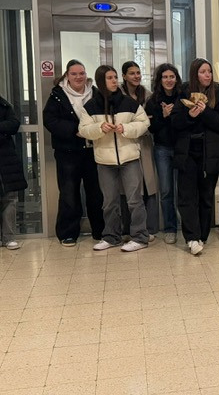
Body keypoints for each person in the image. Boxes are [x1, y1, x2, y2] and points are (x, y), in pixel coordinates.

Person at [78, 65, 151, 252]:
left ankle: (140, 237)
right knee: (109, 202)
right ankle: (111, 237)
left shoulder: (129, 102)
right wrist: (99, 128)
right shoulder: (90, 106)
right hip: (104, 161)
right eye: (109, 78)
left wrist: (126, 129)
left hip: (130, 158)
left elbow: (144, 122)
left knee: (134, 200)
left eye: (115, 77)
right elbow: (83, 130)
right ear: (101, 81)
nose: (114, 81)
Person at [43, 59, 105, 246]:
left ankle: (100, 231)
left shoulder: (96, 93)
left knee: (96, 192)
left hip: (93, 150)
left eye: (82, 73)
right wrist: (75, 130)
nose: (79, 77)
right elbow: (50, 120)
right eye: (74, 74)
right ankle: (68, 233)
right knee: (69, 193)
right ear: (67, 76)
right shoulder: (57, 95)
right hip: (68, 152)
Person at [172, 58, 219, 255]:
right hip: (187, 151)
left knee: (206, 196)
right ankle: (191, 238)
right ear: (195, 74)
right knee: (187, 196)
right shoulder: (183, 92)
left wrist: (205, 112)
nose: (208, 75)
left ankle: (202, 235)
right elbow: (175, 122)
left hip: (210, 153)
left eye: (209, 71)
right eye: (203, 72)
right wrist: (190, 116)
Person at [121, 61, 159, 240]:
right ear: (124, 76)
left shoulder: (148, 95)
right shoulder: (118, 96)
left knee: (148, 184)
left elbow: (152, 120)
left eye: (138, 73)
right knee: (129, 186)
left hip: (144, 143)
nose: (136, 76)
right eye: (132, 73)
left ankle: (149, 228)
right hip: (125, 143)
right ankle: (128, 229)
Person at [145, 63, 182, 244]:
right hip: (162, 149)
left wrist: (174, 115)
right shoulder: (153, 101)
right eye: (165, 77)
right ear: (160, 80)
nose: (169, 80)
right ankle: (170, 228)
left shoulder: (183, 97)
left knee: (184, 189)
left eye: (172, 76)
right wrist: (164, 116)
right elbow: (151, 128)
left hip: (182, 148)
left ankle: (188, 227)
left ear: (177, 78)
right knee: (166, 191)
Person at [0, 96, 28, 250]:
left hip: (6, 158)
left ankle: (9, 237)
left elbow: (13, 124)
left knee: (10, 198)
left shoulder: (4, 104)